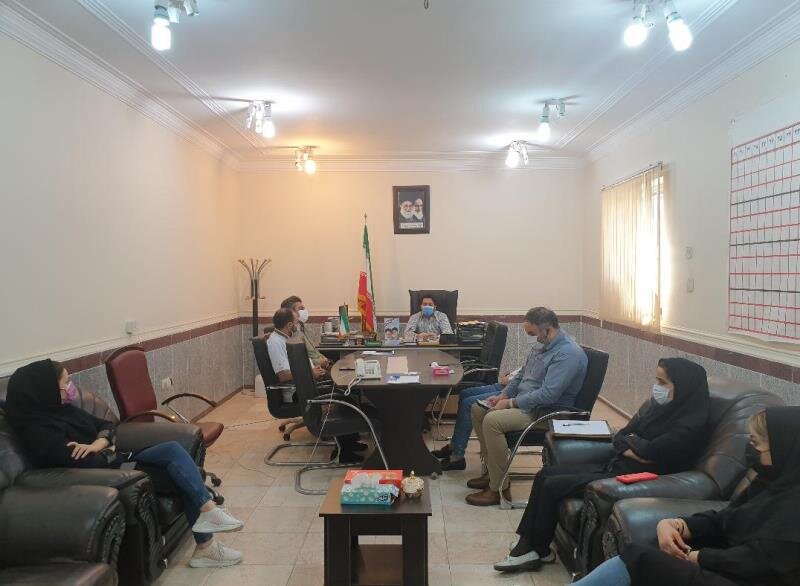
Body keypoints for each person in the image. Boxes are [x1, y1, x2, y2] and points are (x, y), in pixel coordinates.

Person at [5, 359, 245, 569]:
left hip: (119, 458)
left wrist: (99, 443)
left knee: (172, 449)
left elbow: (108, 425)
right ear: (45, 389)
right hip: (109, 473)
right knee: (181, 475)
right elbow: (80, 462)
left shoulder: (64, 410)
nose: (70, 389)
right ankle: (206, 546)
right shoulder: (38, 431)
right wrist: (107, 449)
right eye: (64, 383)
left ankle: (208, 511)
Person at [493, 357, 710, 572]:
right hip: (616, 465)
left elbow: (651, 452)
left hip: (634, 479)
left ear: (683, 387)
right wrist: (635, 447)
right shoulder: (659, 408)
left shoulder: (690, 424)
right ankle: (534, 546)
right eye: (657, 380)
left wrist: (636, 446)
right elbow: (622, 436)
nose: (657, 387)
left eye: (663, 382)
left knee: (552, 485)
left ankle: (530, 550)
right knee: (544, 475)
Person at [571, 406, 800, 586]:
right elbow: (728, 517)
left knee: (641, 559)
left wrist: (697, 557)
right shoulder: (769, 482)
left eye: (756, 443)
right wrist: (679, 525)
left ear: (785, 449)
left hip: (749, 579)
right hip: (729, 566)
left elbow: (759, 562)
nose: (750, 450)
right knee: (653, 549)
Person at [465, 307, 588, 506]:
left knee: (492, 420)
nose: (532, 338)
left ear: (547, 329)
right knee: (478, 409)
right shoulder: (543, 344)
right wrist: (504, 395)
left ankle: (498, 489)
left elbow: (548, 395)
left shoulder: (568, 354)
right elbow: (522, 374)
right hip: (528, 403)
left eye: (532, 333)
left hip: (547, 412)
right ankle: (492, 473)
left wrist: (510, 403)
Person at [432, 367, 520, 471]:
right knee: (464, 394)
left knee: (468, 404)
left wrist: (510, 379)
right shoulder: (533, 357)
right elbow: (523, 371)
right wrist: (511, 375)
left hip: (514, 391)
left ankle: (457, 457)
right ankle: (454, 446)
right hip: (507, 385)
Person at [267, 307, 326, 384]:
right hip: (300, 385)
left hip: (307, 378)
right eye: (297, 323)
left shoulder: (287, 338)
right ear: (289, 325)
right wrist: (310, 372)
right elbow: (283, 376)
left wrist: (313, 368)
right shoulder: (275, 342)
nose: (298, 325)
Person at [280, 295, 331, 369]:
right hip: (313, 369)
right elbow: (299, 360)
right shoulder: (290, 333)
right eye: (301, 309)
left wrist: (323, 358)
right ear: (291, 312)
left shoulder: (301, 327)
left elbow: (313, 351)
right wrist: (319, 362)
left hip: (322, 364)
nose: (304, 311)